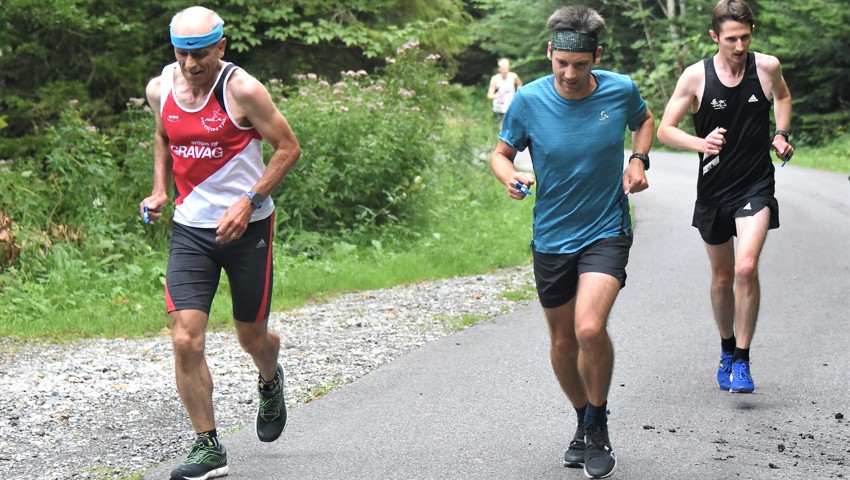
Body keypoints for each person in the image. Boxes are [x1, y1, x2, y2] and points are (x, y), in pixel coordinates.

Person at [489, 6, 653, 479]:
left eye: (580, 65)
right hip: (552, 236)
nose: (569, 74)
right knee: (562, 341)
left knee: (588, 328)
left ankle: (598, 425)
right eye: (562, 63)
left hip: (606, 229)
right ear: (549, 53)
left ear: (596, 57)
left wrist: (638, 160)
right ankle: (582, 418)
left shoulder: (620, 90)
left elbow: (645, 121)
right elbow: (500, 154)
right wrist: (510, 176)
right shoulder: (528, 100)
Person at [138, 6, 301, 480]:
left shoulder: (242, 89)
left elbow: (288, 148)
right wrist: (160, 189)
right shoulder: (160, 88)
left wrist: (249, 201)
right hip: (191, 231)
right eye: (182, 54)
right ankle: (208, 446)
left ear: (221, 47)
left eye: (201, 54)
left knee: (253, 338)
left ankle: (270, 379)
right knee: (185, 338)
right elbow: (163, 136)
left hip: (249, 229)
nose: (191, 65)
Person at [657, 0, 793, 394]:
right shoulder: (695, 77)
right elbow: (665, 129)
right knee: (721, 277)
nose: (739, 46)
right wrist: (701, 142)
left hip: (755, 185)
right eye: (731, 39)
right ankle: (727, 349)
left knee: (746, 267)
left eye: (745, 37)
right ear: (714, 36)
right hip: (714, 190)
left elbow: (782, 97)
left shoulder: (766, 67)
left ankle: (744, 361)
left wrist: (781, 134)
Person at [486, 58, 523, 130]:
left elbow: (520, 84)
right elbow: (489, 95)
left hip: (510, 105)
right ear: (499, 69)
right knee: (501, 128)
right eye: (503, 69)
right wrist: (498, 95)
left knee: (507, 126)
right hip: (499, 107)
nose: (506, 71)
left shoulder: (513, 76)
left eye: (507, 69)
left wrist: (518, 94)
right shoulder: (495, 79)